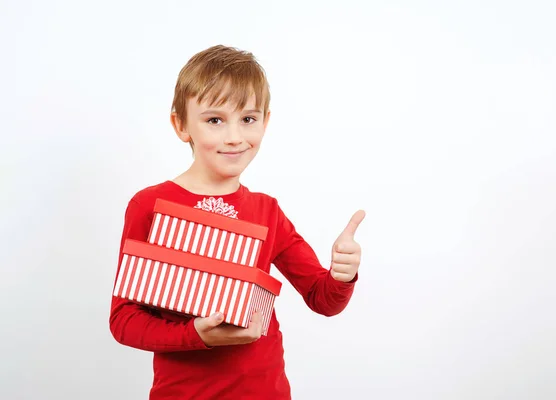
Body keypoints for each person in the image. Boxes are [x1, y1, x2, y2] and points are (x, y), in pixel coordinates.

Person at [109, 44, 365, 399]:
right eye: (215, 120)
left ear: (266, 122)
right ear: (181, 125)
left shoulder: (267, 211)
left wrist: (342, 274)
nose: (234, 137)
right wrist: (196, 334)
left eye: (248, 119)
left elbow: (323, 299)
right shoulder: (149, 205)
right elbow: (124, 321)